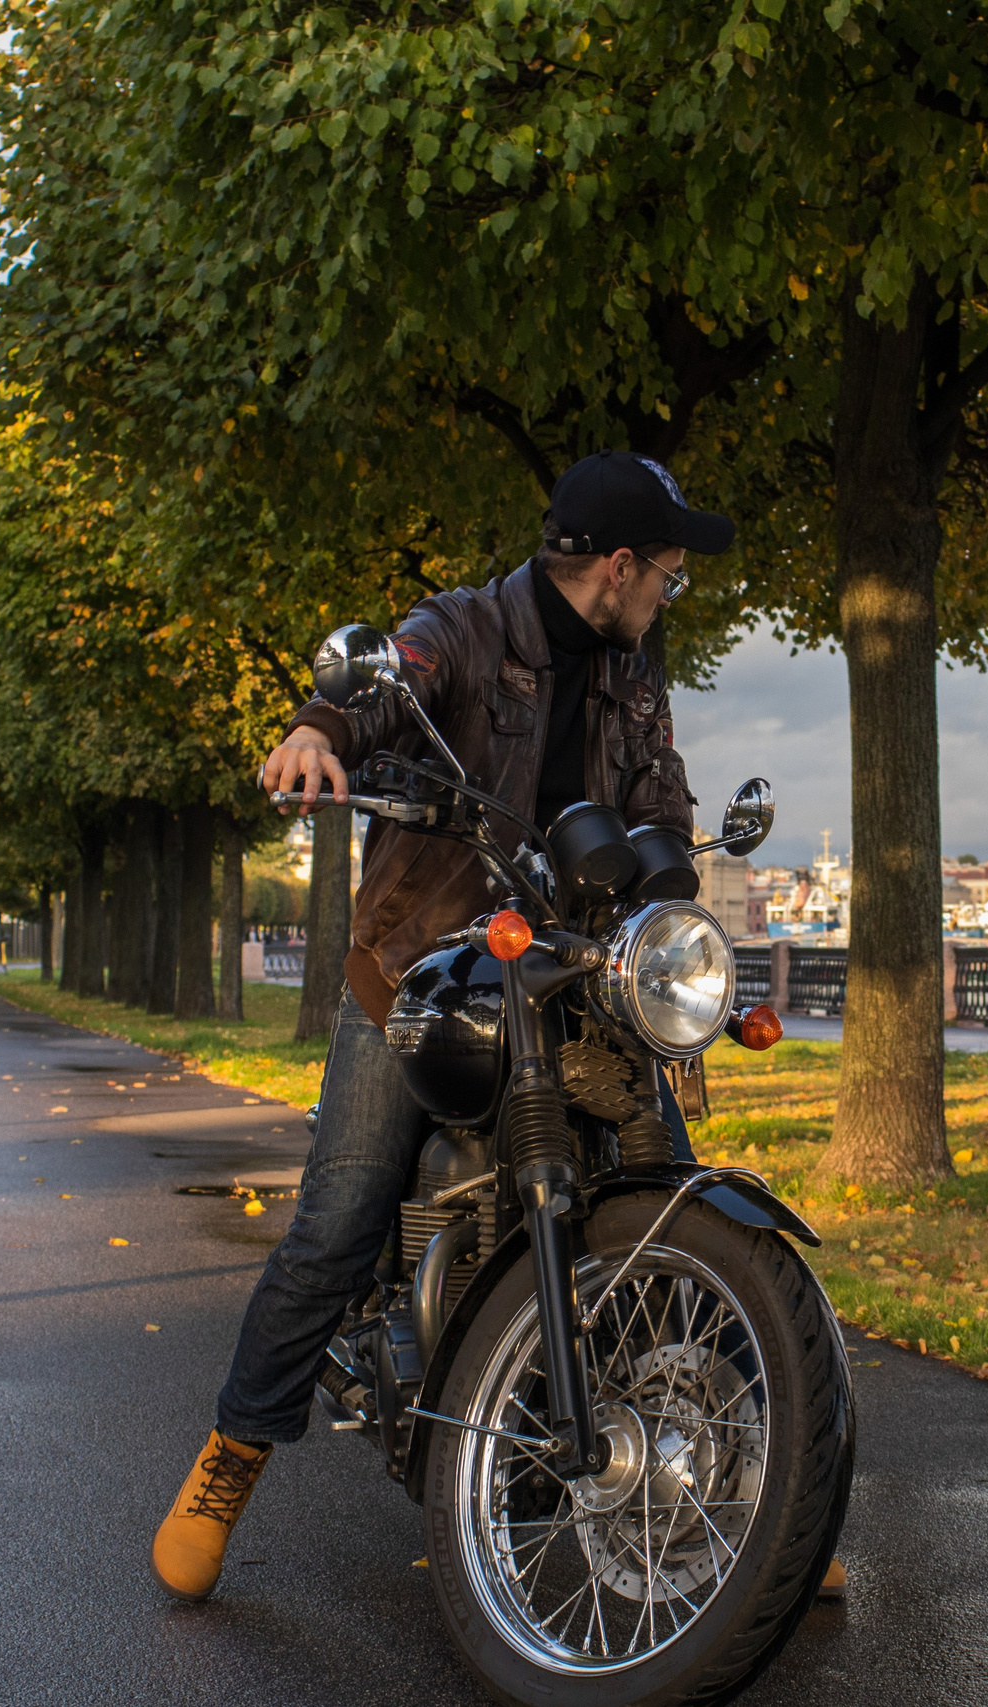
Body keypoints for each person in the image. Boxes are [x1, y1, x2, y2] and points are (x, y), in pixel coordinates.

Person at [151, 450, 735, 1601]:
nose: (672, 591)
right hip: (424, 969)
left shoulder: (633, 671)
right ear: (618, 566)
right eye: (669, 571)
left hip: (577, 977)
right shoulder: (466, 629)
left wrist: (668, 892)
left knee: (678, 1205)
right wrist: (318, 734)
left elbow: (661, 798)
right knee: (338, 1222)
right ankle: (230, 1457)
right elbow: (385, 686)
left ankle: (747, 1490)